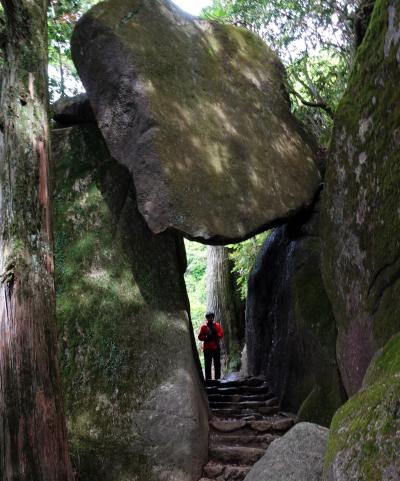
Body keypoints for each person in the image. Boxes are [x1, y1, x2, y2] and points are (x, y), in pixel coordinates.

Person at [198, 311, 224, 380]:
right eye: (208, 317)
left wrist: (216, 334)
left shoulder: (217, 326)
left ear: (213, 318)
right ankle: (209, 381)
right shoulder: (204, 327)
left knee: (217, 365)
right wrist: (206, 337)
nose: (210, 319)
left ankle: (217, 380)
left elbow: (221, 334)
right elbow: (200, 337)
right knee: (207, 365)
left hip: (216, 348)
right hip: (207, 349)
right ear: (207, 318)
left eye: (211, 317)